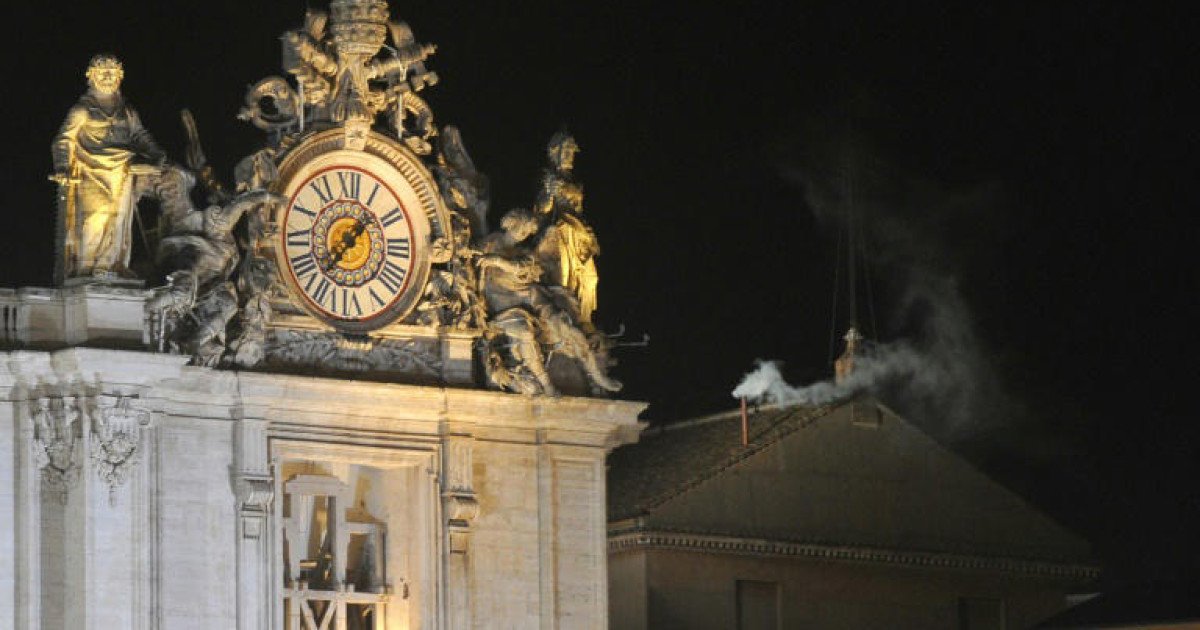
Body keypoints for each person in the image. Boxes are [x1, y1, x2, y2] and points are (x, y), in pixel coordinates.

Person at [52, 54, 165, 279]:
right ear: (91, 76)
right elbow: (63, 139)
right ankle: (86, 268)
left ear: (119, 76)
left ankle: (111, 266)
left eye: (112, 73)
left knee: (119, 220)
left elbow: (140, 135)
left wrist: (156, 153)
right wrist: (63, 166)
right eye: (102, 72)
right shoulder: (82, 110)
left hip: (122, 171)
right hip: (90, 170)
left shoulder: (127, 111)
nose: (107, 77)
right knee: (95, 217)